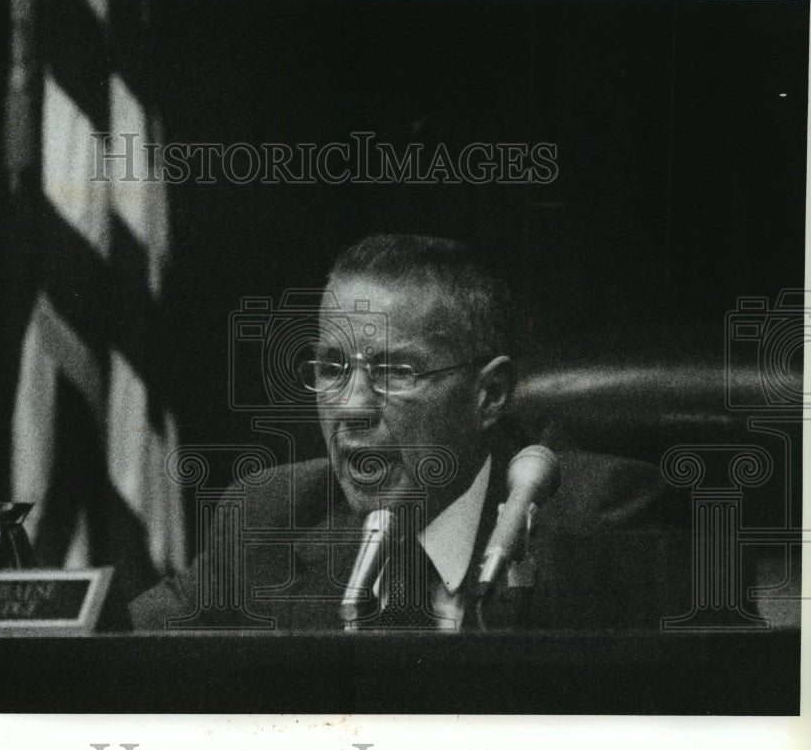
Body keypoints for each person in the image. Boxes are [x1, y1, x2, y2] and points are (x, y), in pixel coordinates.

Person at [130, 234, 688, 631]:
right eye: (331, 369)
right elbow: (105, 652)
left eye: (396, 372)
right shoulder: (267, 515)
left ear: (488, 394)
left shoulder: (604, 522)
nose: (350, 409)